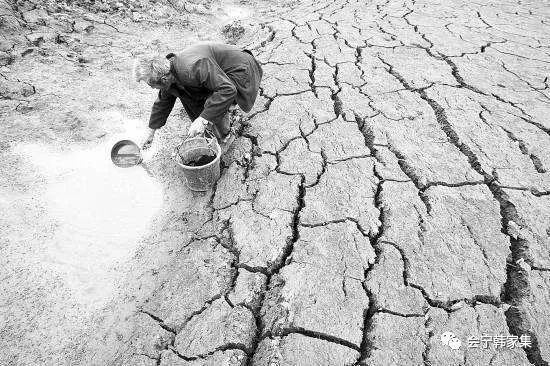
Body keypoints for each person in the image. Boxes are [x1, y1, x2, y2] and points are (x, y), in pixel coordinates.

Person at [133, 43, 263, 150]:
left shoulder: (193, 67)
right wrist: (151, 131)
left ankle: (225, 137)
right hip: (219, 75)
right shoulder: (169, 72)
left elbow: (227, 89)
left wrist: (203, 119)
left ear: (164, 79)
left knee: (213, 102)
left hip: (241, 69)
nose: (150, 87)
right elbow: (163, 102)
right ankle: (212, 128)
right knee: (188, 96)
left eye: (149, 83)